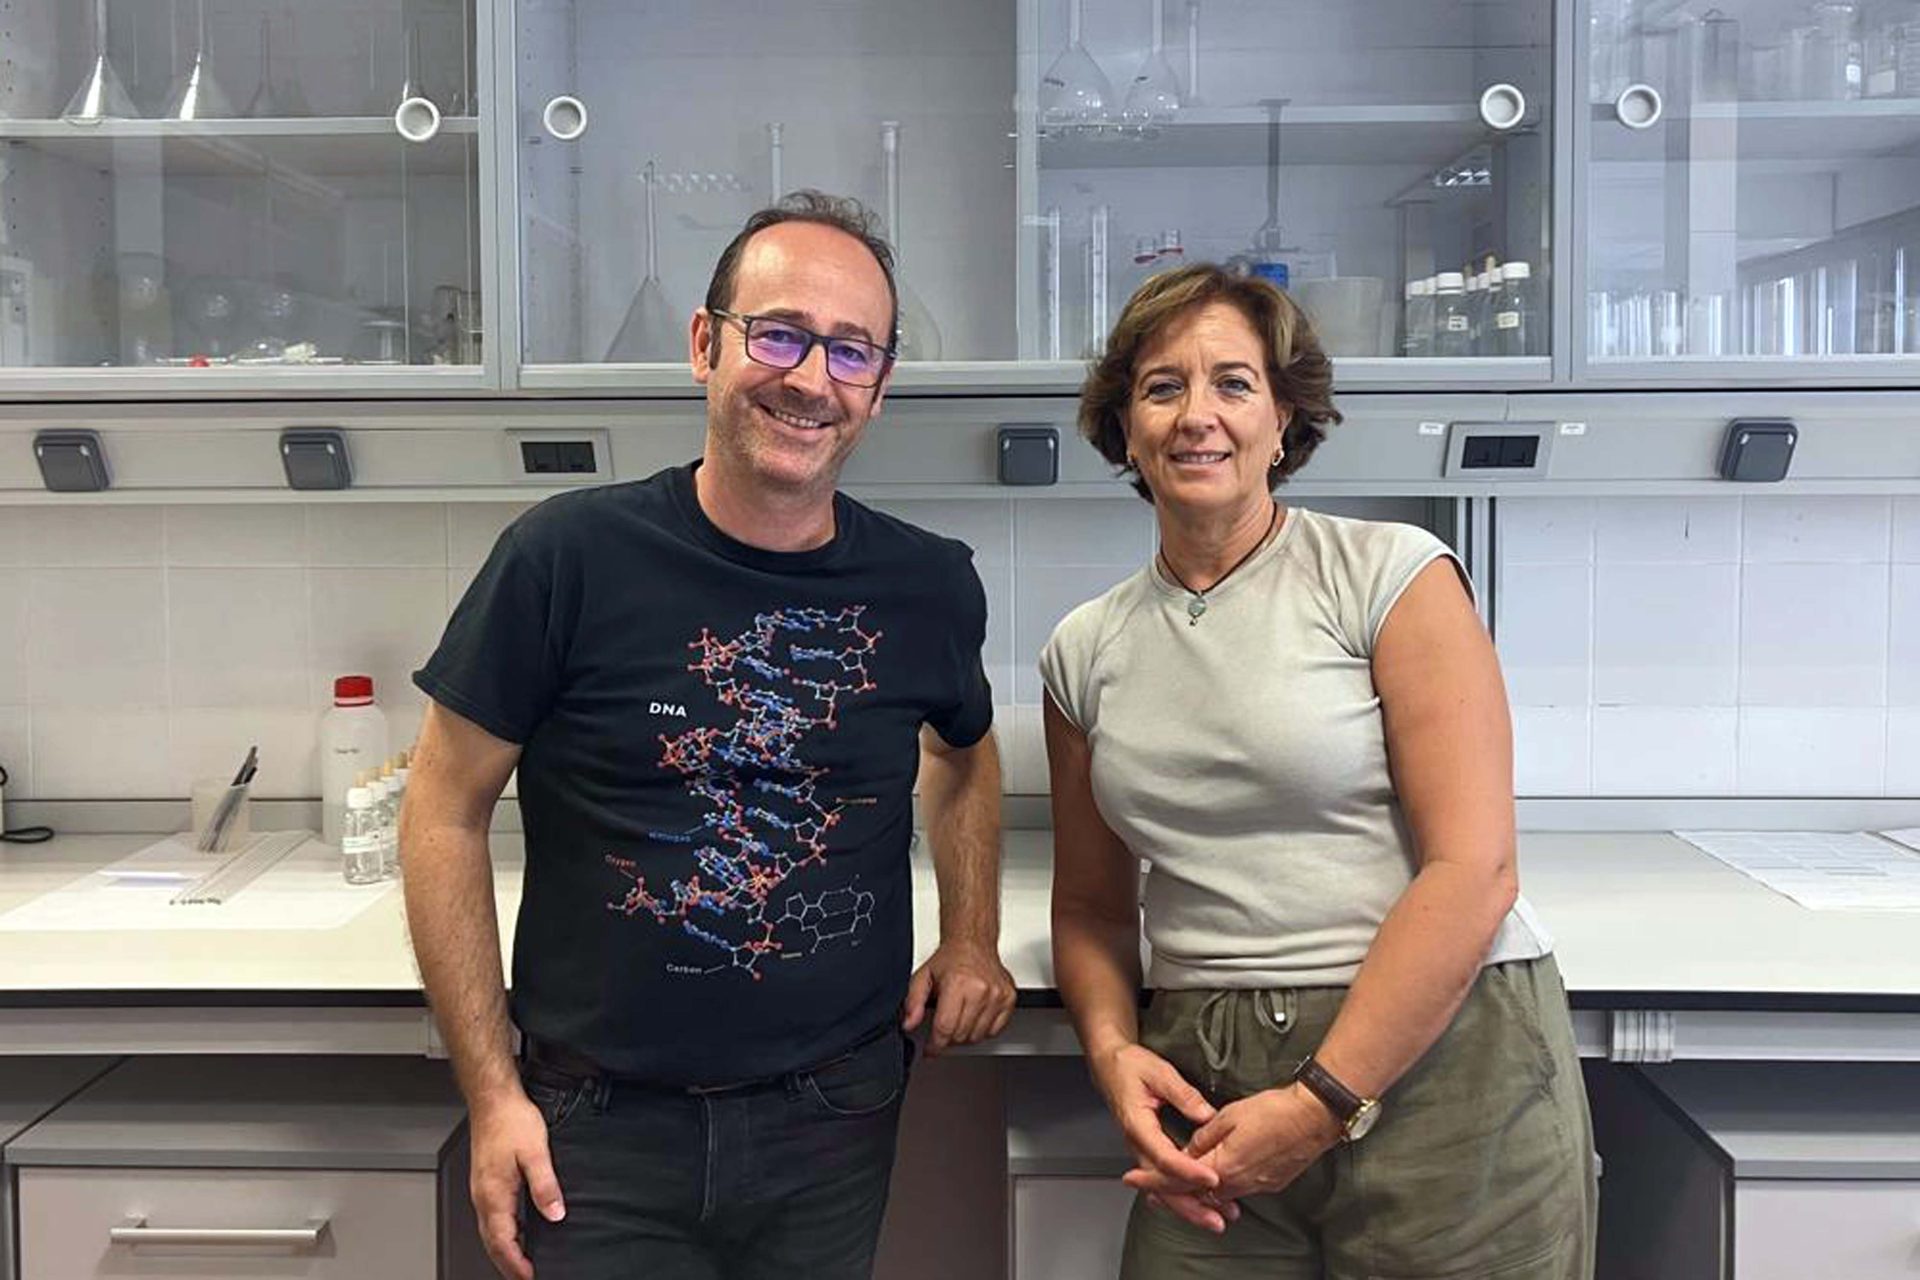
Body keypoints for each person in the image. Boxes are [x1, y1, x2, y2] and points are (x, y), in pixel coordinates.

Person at [402, 190, 1016, 1280]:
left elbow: (964, 753)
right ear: (704, 345)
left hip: (833, 1115)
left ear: (879, 387)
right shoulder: (565, 558)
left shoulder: (926, 584)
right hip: (595, 1125)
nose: (811, 378)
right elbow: (442, 808)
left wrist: (973, 935)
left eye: (852, 350)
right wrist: (492, 1093)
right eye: (778, 334)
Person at [1041, 262, 1596, 1279]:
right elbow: (1090, 906)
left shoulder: (1392, 575)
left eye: (1234, 383)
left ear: (1284, 418)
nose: (1197, 416)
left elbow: (1474, 869)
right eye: (1162, 388)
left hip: (1444, 1067)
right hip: (1209, 1086)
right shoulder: (1083, 650)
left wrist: (1320, 1102)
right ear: (1124, 427)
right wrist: (1114, 1054)